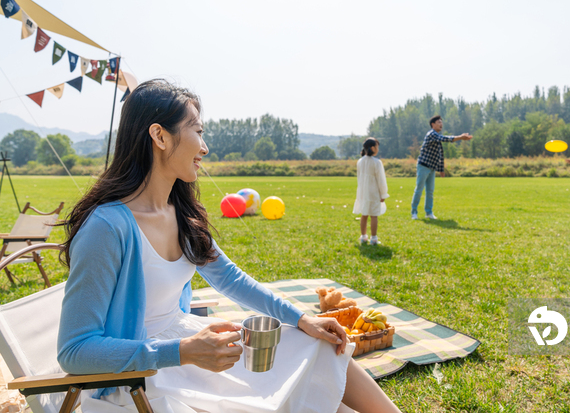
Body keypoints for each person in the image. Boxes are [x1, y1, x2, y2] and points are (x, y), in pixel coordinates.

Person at [57, 80, 401, 413]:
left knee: (317, 345)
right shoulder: (107, 227)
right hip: (142, 377)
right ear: (160, 136)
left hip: (189, 348)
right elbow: (74, 350)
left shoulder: (181, 214)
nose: (204, 148)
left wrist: (302, 318)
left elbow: (232, 280)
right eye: (198, 131)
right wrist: (181, 352)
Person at [410, 115, 472, 220]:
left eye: (441, 122)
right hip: (423, 166)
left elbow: (440, 154)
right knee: (419, 189)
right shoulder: (431, 134)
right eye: (438, 122)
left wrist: (441, 169)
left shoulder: (437, 137)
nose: (441, 124)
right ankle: (414, 213)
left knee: (430, 191)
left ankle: (428, 213)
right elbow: (445, 138)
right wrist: (460, 137)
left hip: (432, 168)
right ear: (432, 124)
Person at [353, 137, 389, 246]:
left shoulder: (360, 161)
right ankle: (374, 238)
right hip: (373, 193)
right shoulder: (377, 162)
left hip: (363, 192)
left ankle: (363, 236)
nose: (378, 149)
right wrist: (383, 193)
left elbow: (359, 177)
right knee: (374, 215)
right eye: (377, 146)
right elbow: (381, 180)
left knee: (364, 214)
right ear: (373, 148)